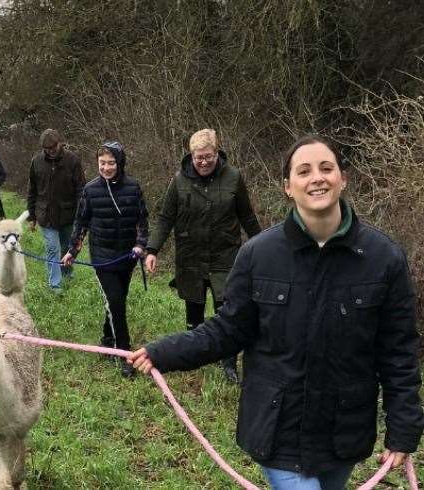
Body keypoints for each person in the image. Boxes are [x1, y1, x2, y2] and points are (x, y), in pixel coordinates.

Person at [129, 134, 424, 489]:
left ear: (342, 178)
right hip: (277, 428)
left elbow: (398, 353)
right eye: (304, 171)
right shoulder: (257, 255)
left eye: (326, 168)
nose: (317, 177)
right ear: (288, 187)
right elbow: (228, 330)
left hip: (343, 432)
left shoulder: (383, 259)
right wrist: (164, 352)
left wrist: (404, 429)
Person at [145, 128, 261, 383]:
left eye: (208, 156)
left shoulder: (233, 178)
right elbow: (166, 218)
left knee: (227, 310)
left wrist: (264, 246)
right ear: (191, 156)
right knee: (194, 308)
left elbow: (247, 216)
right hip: (191, 257)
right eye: (199, 158)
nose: (204, 162)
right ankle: (194, 356)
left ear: (217, 153)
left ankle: (228, 363)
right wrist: (152, 250)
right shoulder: (179, 180)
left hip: (225, 256)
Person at [61, 141, 149, 378]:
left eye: (111, 163)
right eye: (102, 163)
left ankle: (107, 337)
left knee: (117, 300)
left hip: (127, 257)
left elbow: (142, 220)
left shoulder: (133, 187)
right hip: (102, 258)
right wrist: (72, 251)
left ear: (120, 163)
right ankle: (124, 354)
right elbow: (81, 223)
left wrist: (141, 245)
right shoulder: (90, 190)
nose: (107, 167)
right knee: (117, 302)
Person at [26, 128, 85, 293]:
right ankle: (55, 285)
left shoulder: (73, 161)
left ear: (60, 143)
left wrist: (82, 213)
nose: (51, 151)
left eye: (54, 147)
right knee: (53, 248)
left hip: (68, 213)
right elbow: (32, 190)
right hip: (45, 215)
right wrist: (32, 216)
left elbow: (81, 189)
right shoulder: (36, 162)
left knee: (68, 247)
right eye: (47, 149)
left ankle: (66, 272)